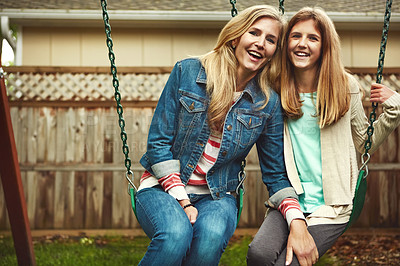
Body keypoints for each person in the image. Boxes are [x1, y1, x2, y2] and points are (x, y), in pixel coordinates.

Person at [135, 5, 308, 266]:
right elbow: (158, 144)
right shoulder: (188, 72)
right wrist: (183, 200)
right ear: (236, 36)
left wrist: (297, 219)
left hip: (218, 195)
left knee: (209, 239)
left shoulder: (267, 104)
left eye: (270, 40)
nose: (261, 43)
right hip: (161, 187)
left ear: (274, 52)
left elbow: (275, 174)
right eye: (254, 33)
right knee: (175, 235)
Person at [247, 6, 400, 266]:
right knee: (259, 254)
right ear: (286, 43)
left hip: (331, 206)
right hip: (290, 197)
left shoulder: (345, 86)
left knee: (292, 263)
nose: (302, 44)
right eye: (295, 36)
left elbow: (364, 143)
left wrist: (395, 108)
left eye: (312, 38)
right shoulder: (276, 86)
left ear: (325, 45)